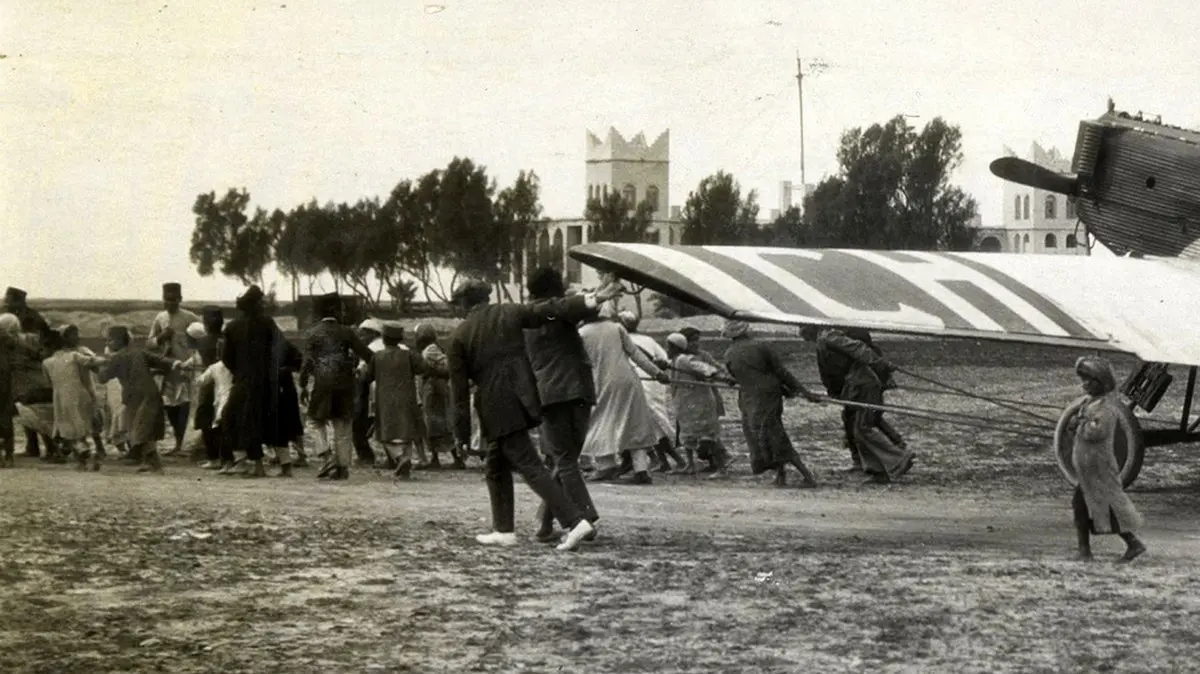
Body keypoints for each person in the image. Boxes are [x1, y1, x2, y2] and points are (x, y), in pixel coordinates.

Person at [447, 276, 621, 551]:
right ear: (486, 297)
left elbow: (458, 393)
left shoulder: (459, 336)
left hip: (493, 405)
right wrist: (592, 299)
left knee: (530, 466)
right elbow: (549, 309)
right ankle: (503, 530)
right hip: (522, 397)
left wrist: (461, 434)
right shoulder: (509, 312)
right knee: (495, 467)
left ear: (463, 304)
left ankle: (575, 522)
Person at [523, 267, 602, 542]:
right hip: (578, 390)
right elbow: (583, 308)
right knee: (567, 460)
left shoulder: (528, 318)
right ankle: (583, 517)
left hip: (549, 394)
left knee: (563, 460)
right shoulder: (559, 312)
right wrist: (603, 290)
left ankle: (545, 524)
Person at [800, 325, 915, 484]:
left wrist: (879, 363)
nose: (800, 334)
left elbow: (858, 348)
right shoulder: (823, 340)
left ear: (811, 327)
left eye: (802, 327)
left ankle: (899, 458)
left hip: (863, 385)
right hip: (855, 386)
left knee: (862, 427)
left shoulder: (829, 337)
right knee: (857, 426)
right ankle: (876, 470)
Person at [579, 303, 671, 485]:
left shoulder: (581, 333)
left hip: (599, 382)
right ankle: (641, 470)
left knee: (598, 421)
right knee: (634, 423)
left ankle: (607, 465)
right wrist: (657, 373)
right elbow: (635, 354)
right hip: (628, 381)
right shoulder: (617, 327)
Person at [1068, 357, 1147, 563]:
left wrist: (1079, 423)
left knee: (1088, 506)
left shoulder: (1104, 408)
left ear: (1100, 383)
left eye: (1089, 380)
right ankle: (1090, 549)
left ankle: (1089, 550)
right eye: (1084, 380)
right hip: (1089, 466)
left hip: (1097, 467)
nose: (1085, 384)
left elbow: (1096, 432)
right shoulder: (1090, 404)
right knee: (1089, 506)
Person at [222, 285, 306, 478]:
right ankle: (285, 466)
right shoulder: (267, 323)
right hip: (270, 381)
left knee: (240, 420)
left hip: (245, 382)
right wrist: (291, 365)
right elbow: (284, 347)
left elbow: (227, 358)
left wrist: (240, 372)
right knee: (275, 422)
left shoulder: (232, 327)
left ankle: (257, 465)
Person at [724, 320, 820, 488]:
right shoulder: (761, 346)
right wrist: (803, 392)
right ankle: (793, 475)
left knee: (766, 434)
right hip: (767, 396)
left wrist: (799, 391)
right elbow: (781, 372)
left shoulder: (729, 354)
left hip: (749, 399)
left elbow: (736, 378)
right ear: (746, 331)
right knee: (774, 433)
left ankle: (803, 475)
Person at [300, 292, 374, 481]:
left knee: (315, 422)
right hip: (345, 384)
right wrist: (362, 371)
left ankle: (326, 456)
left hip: (322, 383)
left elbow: (307, 363)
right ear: (335, 310)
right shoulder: (347, 332)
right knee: (343, 426)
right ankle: (342, 467)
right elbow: (368, 355)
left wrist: (302, 385)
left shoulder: (312, 333)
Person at [99, 325, 183, 474]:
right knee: (145, 429)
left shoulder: (116, 358)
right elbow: (160, 360)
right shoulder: (139, 352)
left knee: (140, 430)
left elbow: (103, 378)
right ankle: (149, 461)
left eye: (110, 340)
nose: (107, 343)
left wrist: (98, 364)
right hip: (148, 393)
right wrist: (175, 363)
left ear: (119, 340)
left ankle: (152, 463)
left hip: (135, 397)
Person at [362, 322, 433, 479]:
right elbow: (424, 368)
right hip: (407, 398)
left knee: (385, 434)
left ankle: (400, 458)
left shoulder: (377, 357)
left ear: (384, 339)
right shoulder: (409, 355)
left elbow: (367, 377)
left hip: (385, 400)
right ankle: (405, 462)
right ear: (400, 339)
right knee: (407, 432)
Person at [618, 310, 685, 473]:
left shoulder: (620, 340)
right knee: (653, 424)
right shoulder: (648, 340)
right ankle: (663, 461)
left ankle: (676, 460)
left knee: (651, 425)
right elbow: (665, 360)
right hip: (652, 383)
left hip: (638, 384)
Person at [665, 332, 733, 478]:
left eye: (669, 347)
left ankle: (722, 468)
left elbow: (705, 369)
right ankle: (690, 465)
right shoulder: (674, 361)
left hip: (700, 402)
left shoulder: (684, 359)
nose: (667, 350)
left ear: (676, 348)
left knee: (708, 434)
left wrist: (723, 377)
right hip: (686, 402)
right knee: (687, 434)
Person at [146, 282, 200, 456]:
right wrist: (161, 337)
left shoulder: (190, 317)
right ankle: (177, 442)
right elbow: (149, 344)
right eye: (166, 299)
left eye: (173, 300)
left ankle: (180, 443)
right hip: (167, 369)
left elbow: (202, 338)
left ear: (180, 299)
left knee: (184, 404)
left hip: (186, 370)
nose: (169, 303)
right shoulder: (160, 318)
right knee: (169, 405)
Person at [42, 327, 107, 470]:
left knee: (71, 429)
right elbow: (94, 363)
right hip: (81, 394)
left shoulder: (47, 362)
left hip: (62, 399)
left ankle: (84, 456)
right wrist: (110, 359)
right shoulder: (76, 355)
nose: (77, 337)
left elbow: (48, 383)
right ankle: (89, 454)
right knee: (83, 425)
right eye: (73, 335)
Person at [4, 287, 54, 459]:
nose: (6, 303)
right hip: (20, 371)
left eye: (9, 300)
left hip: (32, 371)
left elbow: (41, 345)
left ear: (19, 301)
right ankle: (33, 446)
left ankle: (49, 447)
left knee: (34, 408)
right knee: (25, 408)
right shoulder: (12, 315)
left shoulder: (33, 318)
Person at [414, 323, 463, 469]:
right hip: (434, 390)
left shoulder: (430, 350)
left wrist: (432, 372)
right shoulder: (431, 349)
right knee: (436, 424)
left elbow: (447, 366)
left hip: (434, 391)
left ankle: (451, 458)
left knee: (437, 424)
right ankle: (442, 457)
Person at [192, 307, 225, 469]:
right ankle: (226, 457)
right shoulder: (227, 339)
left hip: (208, 383)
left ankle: (213, 457)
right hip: (226, 383)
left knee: (206, 420)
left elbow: (197, 362)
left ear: (205, 324)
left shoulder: (202, 342)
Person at [353, 318, 386, 467]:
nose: (361, 337)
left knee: (359, 425)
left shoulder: (370, 348)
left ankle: (365, 456)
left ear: (372, 333)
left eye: (363, 334)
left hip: (370, 391)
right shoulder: (387, 345)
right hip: (388, 390)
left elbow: (363, 373)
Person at [0, 313, 21, 467]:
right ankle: (8, 454)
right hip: (6, 383)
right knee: (6, 419)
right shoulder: (13, 343)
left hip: (4, 381)